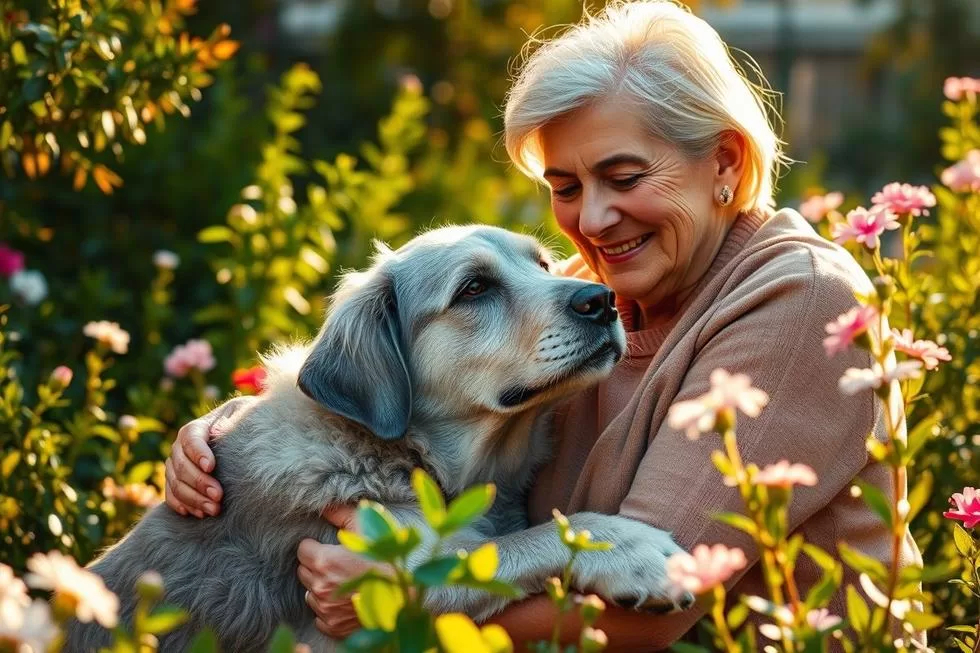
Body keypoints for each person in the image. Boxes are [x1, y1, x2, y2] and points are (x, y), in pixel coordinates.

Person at [164, 1, 922, 649]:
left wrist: (409, 590)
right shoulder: (601, 296)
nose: (591, 220)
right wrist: (235, 440)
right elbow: (403, 361)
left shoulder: (800, 298)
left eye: (625, 178)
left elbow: (652, 598)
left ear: (724, 161)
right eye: (566, 186)